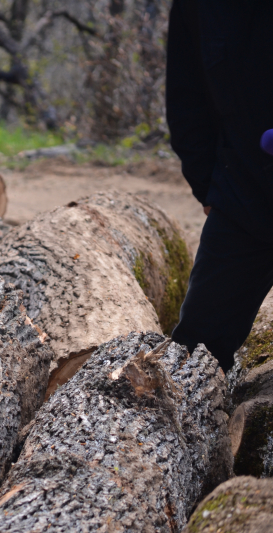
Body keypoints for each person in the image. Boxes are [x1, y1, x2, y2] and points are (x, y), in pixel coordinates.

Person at [166, 0, 273, 372]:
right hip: (243, 194)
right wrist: (208, 185)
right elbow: (186, 98)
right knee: (192, 361)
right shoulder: (197, 7)